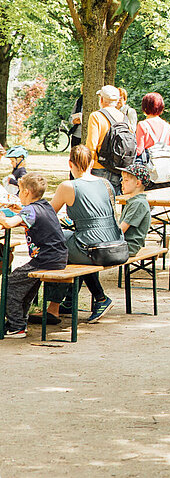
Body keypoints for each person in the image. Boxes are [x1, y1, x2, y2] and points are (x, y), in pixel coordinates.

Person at [39, 145, 124, 325]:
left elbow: (48, 214)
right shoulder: (106, 183)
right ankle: (68, 302)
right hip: (115, 241)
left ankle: (57, 307)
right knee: (71, 246)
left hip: (92, 246)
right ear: (92, 163)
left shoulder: (68, 186)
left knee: (57, 247)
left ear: (70, 163)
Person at [2, 173, 68, 339]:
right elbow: (32, 214)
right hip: (57, 257)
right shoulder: (44, 205)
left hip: (45, 259)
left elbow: (9, 224)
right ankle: (18, 323)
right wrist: (17, 209)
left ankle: (16, 326)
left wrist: (2, 215)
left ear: (26, 193)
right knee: (24, 288)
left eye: (19, 191)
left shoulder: (31, 210)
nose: (18, 194)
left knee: (10, 284)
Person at [85, 84, 129, 194]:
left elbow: (91, 145)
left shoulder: (96, 116)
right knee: (113, 205)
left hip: (99, 166)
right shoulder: (123, 117)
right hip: (117, 167)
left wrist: (87, 167)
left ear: (101, 99)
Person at [135, 92, 170, 189]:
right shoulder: (167, 126)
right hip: (167, 174)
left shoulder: (143, 125)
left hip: (151, 174)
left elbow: (139, 150)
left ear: (145, 107)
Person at [116, 162, 152, 257]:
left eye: (126, 180)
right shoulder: (133, 201)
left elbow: (121, 230)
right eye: (122, 180)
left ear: (138, 183)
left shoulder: (139, 203)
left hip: (129, 247)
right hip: (123, 244)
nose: (122, 182)